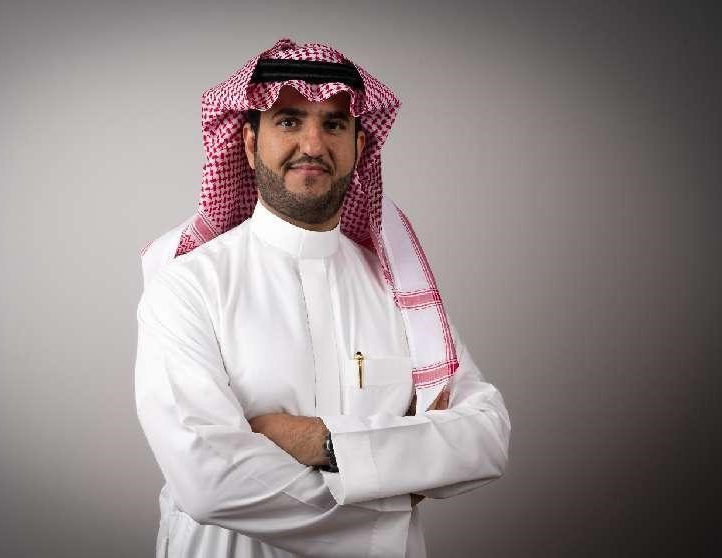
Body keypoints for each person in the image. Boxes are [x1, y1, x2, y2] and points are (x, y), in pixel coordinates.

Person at [134, 38, 510, 558]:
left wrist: (323, 443)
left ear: (359, 145)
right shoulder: (189, 286)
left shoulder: (398, 290)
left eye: (333, 125)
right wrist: (400, 480)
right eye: (289, 121)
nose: (312, 144)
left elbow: (485, 436)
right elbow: (210, 481)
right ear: (249, 142)